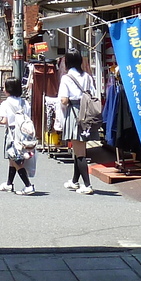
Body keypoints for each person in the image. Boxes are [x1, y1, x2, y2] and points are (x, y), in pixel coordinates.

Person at [56, 51, 99, 194]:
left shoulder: (66, 78)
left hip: (74, 113)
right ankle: (75, 181)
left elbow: (63, 99)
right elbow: (93, 93)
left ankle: (87, 185)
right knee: (79, 148)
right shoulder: (87, 76)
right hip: (86, 113)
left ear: (67, 62)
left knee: (80, 152)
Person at [0, 78, 37, 193]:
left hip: (12, 133)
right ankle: (9, 184)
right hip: (23, 132)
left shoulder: (6, 103)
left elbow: (5, 121)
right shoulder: (24, 102)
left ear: (8, 89)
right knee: (13, 158)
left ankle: (28, 185)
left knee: (15, 158)